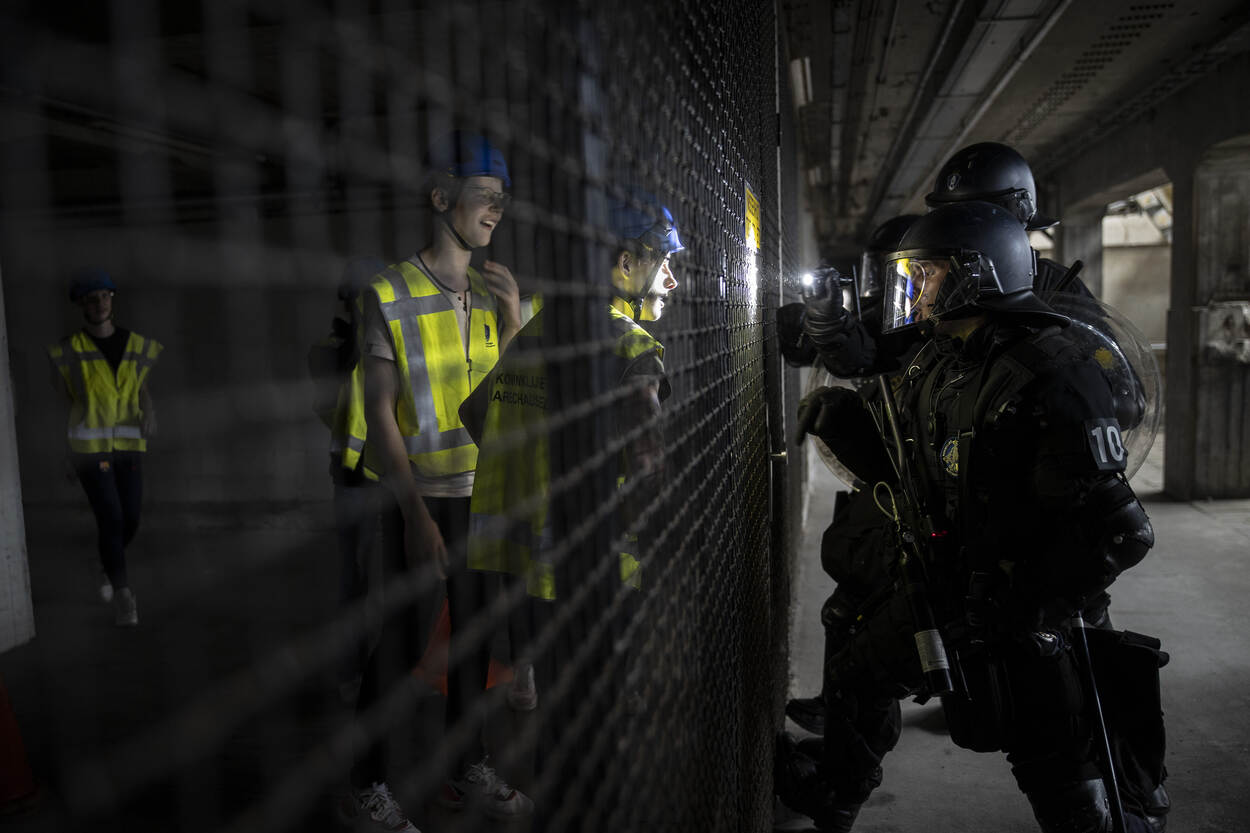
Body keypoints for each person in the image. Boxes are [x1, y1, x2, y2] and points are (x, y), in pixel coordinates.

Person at [780, 201, 1169, 832]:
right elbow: (922, 468)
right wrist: (852, 430)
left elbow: (1122, 534)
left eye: (926, 275)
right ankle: (837, 796)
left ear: (976, 275)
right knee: (857, 672)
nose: (914, 291)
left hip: (1016, 614)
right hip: (943, 588)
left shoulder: (1052, 376)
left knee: (1060, 772)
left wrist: (1025, 606)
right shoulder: (942, 360)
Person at [462, 188, 682, 827]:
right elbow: (647, 461)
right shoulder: (631, 344)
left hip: (519, 550)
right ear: (623, 264)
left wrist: (525, 472)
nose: (670, 277)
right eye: (662, 261)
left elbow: (473, 413)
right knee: (598, 710)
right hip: (590, 557)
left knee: (555, 704)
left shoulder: (540, 328)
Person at [349, 131, 529, 832]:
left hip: (480, 497)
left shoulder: (493, 293)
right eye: (486, 197)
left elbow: (503, 397)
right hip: (421, 502)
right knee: (399, 646)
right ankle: (365, 785)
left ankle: (465, 766)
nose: (496, 212)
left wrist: (512, 322)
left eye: (502, 201)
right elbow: (379, 417)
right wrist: (416, 515)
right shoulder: (389, 291)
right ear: (441, 196)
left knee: (474, 645)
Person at [779, 215, 919, 737]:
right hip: (897, 482)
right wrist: (817, 316)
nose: (886, 285)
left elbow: (865, 353)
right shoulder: (892, 316)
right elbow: (841, 348)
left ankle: (843, 767)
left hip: (931, 494)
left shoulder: (941, 329)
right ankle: (840, 734)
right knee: (850, 607)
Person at [48, 268, 161, 627]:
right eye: (91, 298)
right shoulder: (69, 351)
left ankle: (103, 564)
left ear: (112, 300)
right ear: (82, 304)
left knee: (131, 518)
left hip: (128, 444)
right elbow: (63, 405)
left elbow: (141, 387)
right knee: (110, 517)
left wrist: (150, 411)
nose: (99, 303)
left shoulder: (136, 345)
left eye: (104, 296)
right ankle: (124, 596)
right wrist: (65, 452)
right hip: (89, 448)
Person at [307, 256, 386, 705]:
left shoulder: (395, 344)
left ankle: (401, 668)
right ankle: (351, 669)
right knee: (354, 576)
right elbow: (331, 411)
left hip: (398, 471)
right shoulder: (327, 350)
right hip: (354, 474)